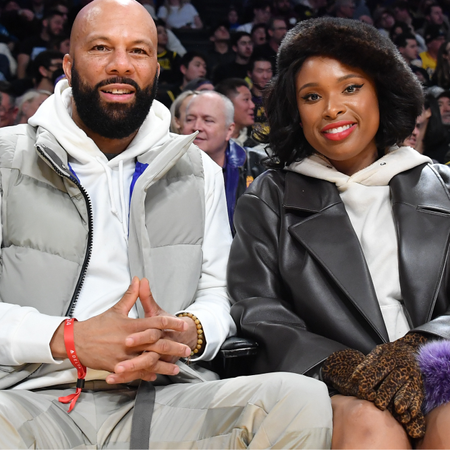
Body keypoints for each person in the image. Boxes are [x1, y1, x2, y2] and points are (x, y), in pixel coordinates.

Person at [0, 0, 334, 448]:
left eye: (138, 51)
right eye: (101, 48)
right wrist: (69, 339)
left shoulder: (198, 170)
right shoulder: (6, 158)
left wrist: (188, 332)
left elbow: (220, 294)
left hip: (161, 396)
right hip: (28, 396)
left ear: (155, 69)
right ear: (68, 64)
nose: (121, 65)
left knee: (300, 399)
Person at [228, 17, 450, 449]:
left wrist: (420, 348)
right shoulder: (269, 198)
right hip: (334, 392)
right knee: (371, 423)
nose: (332, 108)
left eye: (351, 88)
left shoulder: (443, 186)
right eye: (312, 97)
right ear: (296, 111)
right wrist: (338, 366)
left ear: (381, 93)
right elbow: (258, 310)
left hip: (441, 372)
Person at [181, 91, 265, 228]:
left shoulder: (260, 168)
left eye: (208, 120)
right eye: (190, 119)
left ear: (229, 130)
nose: (196, 127)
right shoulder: (164, 167)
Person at [215, 77, 255, 147]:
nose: (252, 105)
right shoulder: (208, 144)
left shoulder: (255, 149)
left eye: (251, 100)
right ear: (227, 104)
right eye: (246, 99)